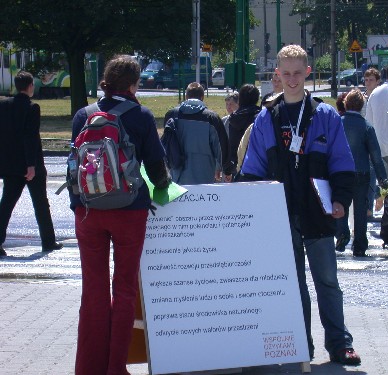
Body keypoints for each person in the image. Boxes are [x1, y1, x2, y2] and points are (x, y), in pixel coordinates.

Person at [240, 45, 360, 365]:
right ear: (277, 75)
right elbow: (252, 170)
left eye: (297, 73)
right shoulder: (267, 117)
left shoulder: (325, 116)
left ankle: (339, 343)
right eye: (286, 73)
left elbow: (342, 164)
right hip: (281, 217)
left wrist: (340, 200)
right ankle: (300, 344)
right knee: (293, 286)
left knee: (327, 281)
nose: (292, 79)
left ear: (308, 73)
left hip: (318, 214)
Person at [70, 55, 171, 375]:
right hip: (129, 212)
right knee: (124, 288)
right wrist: (164, 186)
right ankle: (116, 368)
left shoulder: (83, 114)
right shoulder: (140, 115)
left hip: (88, 213)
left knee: (93, 289)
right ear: (132, 85)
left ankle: (88, 368)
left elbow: (73, 163)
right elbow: (157, 167)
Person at [0, 71, 63, 257]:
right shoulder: (32, 107)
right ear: (30, 86)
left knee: (7, 204)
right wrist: (31, 165)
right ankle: (48, 241)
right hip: (31, 163)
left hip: (11, 165)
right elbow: (30, 138)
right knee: (40, 203)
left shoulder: (4, 105)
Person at [335, 89, 388, 257]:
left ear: (345, 104)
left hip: (340, 173)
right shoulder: (366, 126)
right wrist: (382, 178)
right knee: (360, 211)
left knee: (341, 206)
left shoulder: (337, 123)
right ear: (362, 106)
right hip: (362, 173)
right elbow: (376, 156)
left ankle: (342, 234)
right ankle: (359, 245)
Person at [164, 82, 228, 184]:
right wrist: (224, 170)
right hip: (205, 178)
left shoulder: (171, 115)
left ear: (186, 96)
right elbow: (221, 148)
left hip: (176, 177)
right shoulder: (212, 118)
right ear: (202, 97)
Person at [224, 84, 261, 181]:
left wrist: (228, 169)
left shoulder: (233, 119)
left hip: (237, 166)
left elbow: (230, 145)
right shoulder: (261, 117)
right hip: (258, 165)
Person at [362, 68, 381, 220]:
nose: (368, 83)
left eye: (371, 80)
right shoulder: (361, 99)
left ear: (377, 81)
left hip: (380, 140)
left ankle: (379, 197)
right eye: (366, 80)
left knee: (379, 173)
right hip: (365, 141)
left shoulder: (380, 97)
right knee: (370, 175)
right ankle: (368, 209)